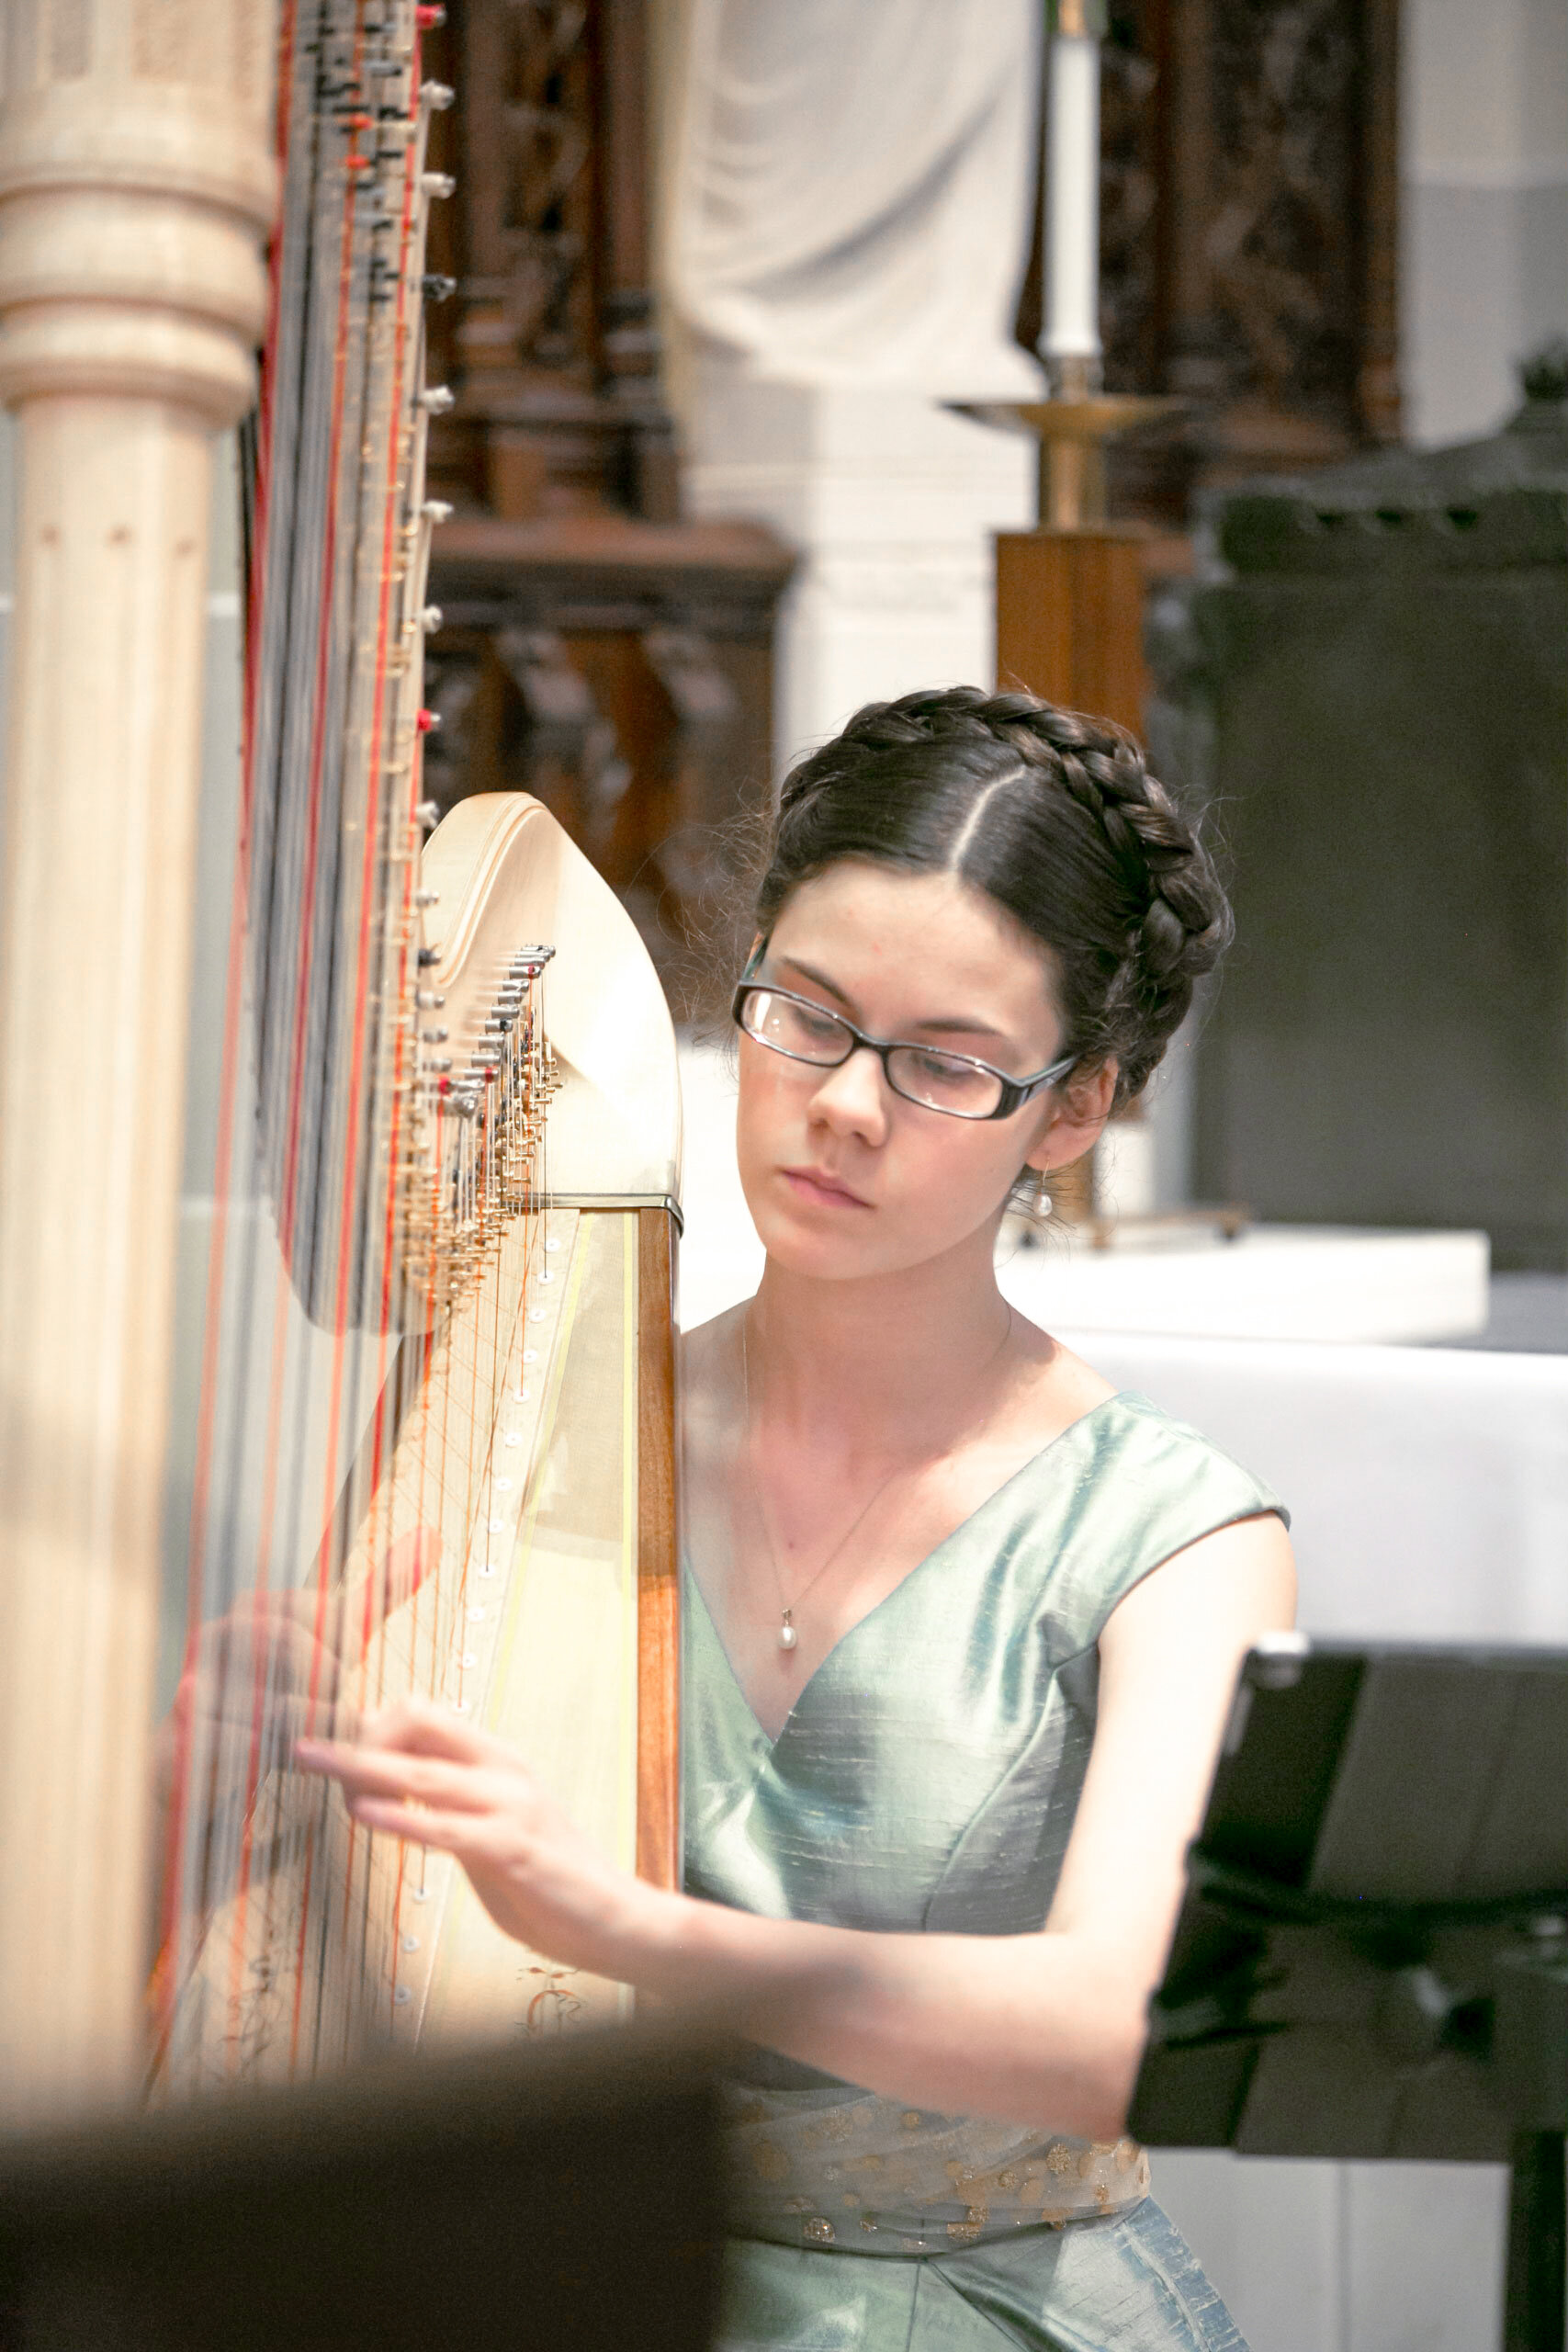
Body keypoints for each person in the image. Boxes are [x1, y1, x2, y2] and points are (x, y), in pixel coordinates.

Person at [299, 686, 1295, 2351]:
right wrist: (256, 1767)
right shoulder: (521, 1434)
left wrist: (626, 1931)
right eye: (809, 1016)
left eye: (948, 1065)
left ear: (1073, 1111)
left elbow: (1104, 2025)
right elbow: (333, 1929)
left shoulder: (1178, 1539)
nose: (843, 1102)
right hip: (594, 2285)